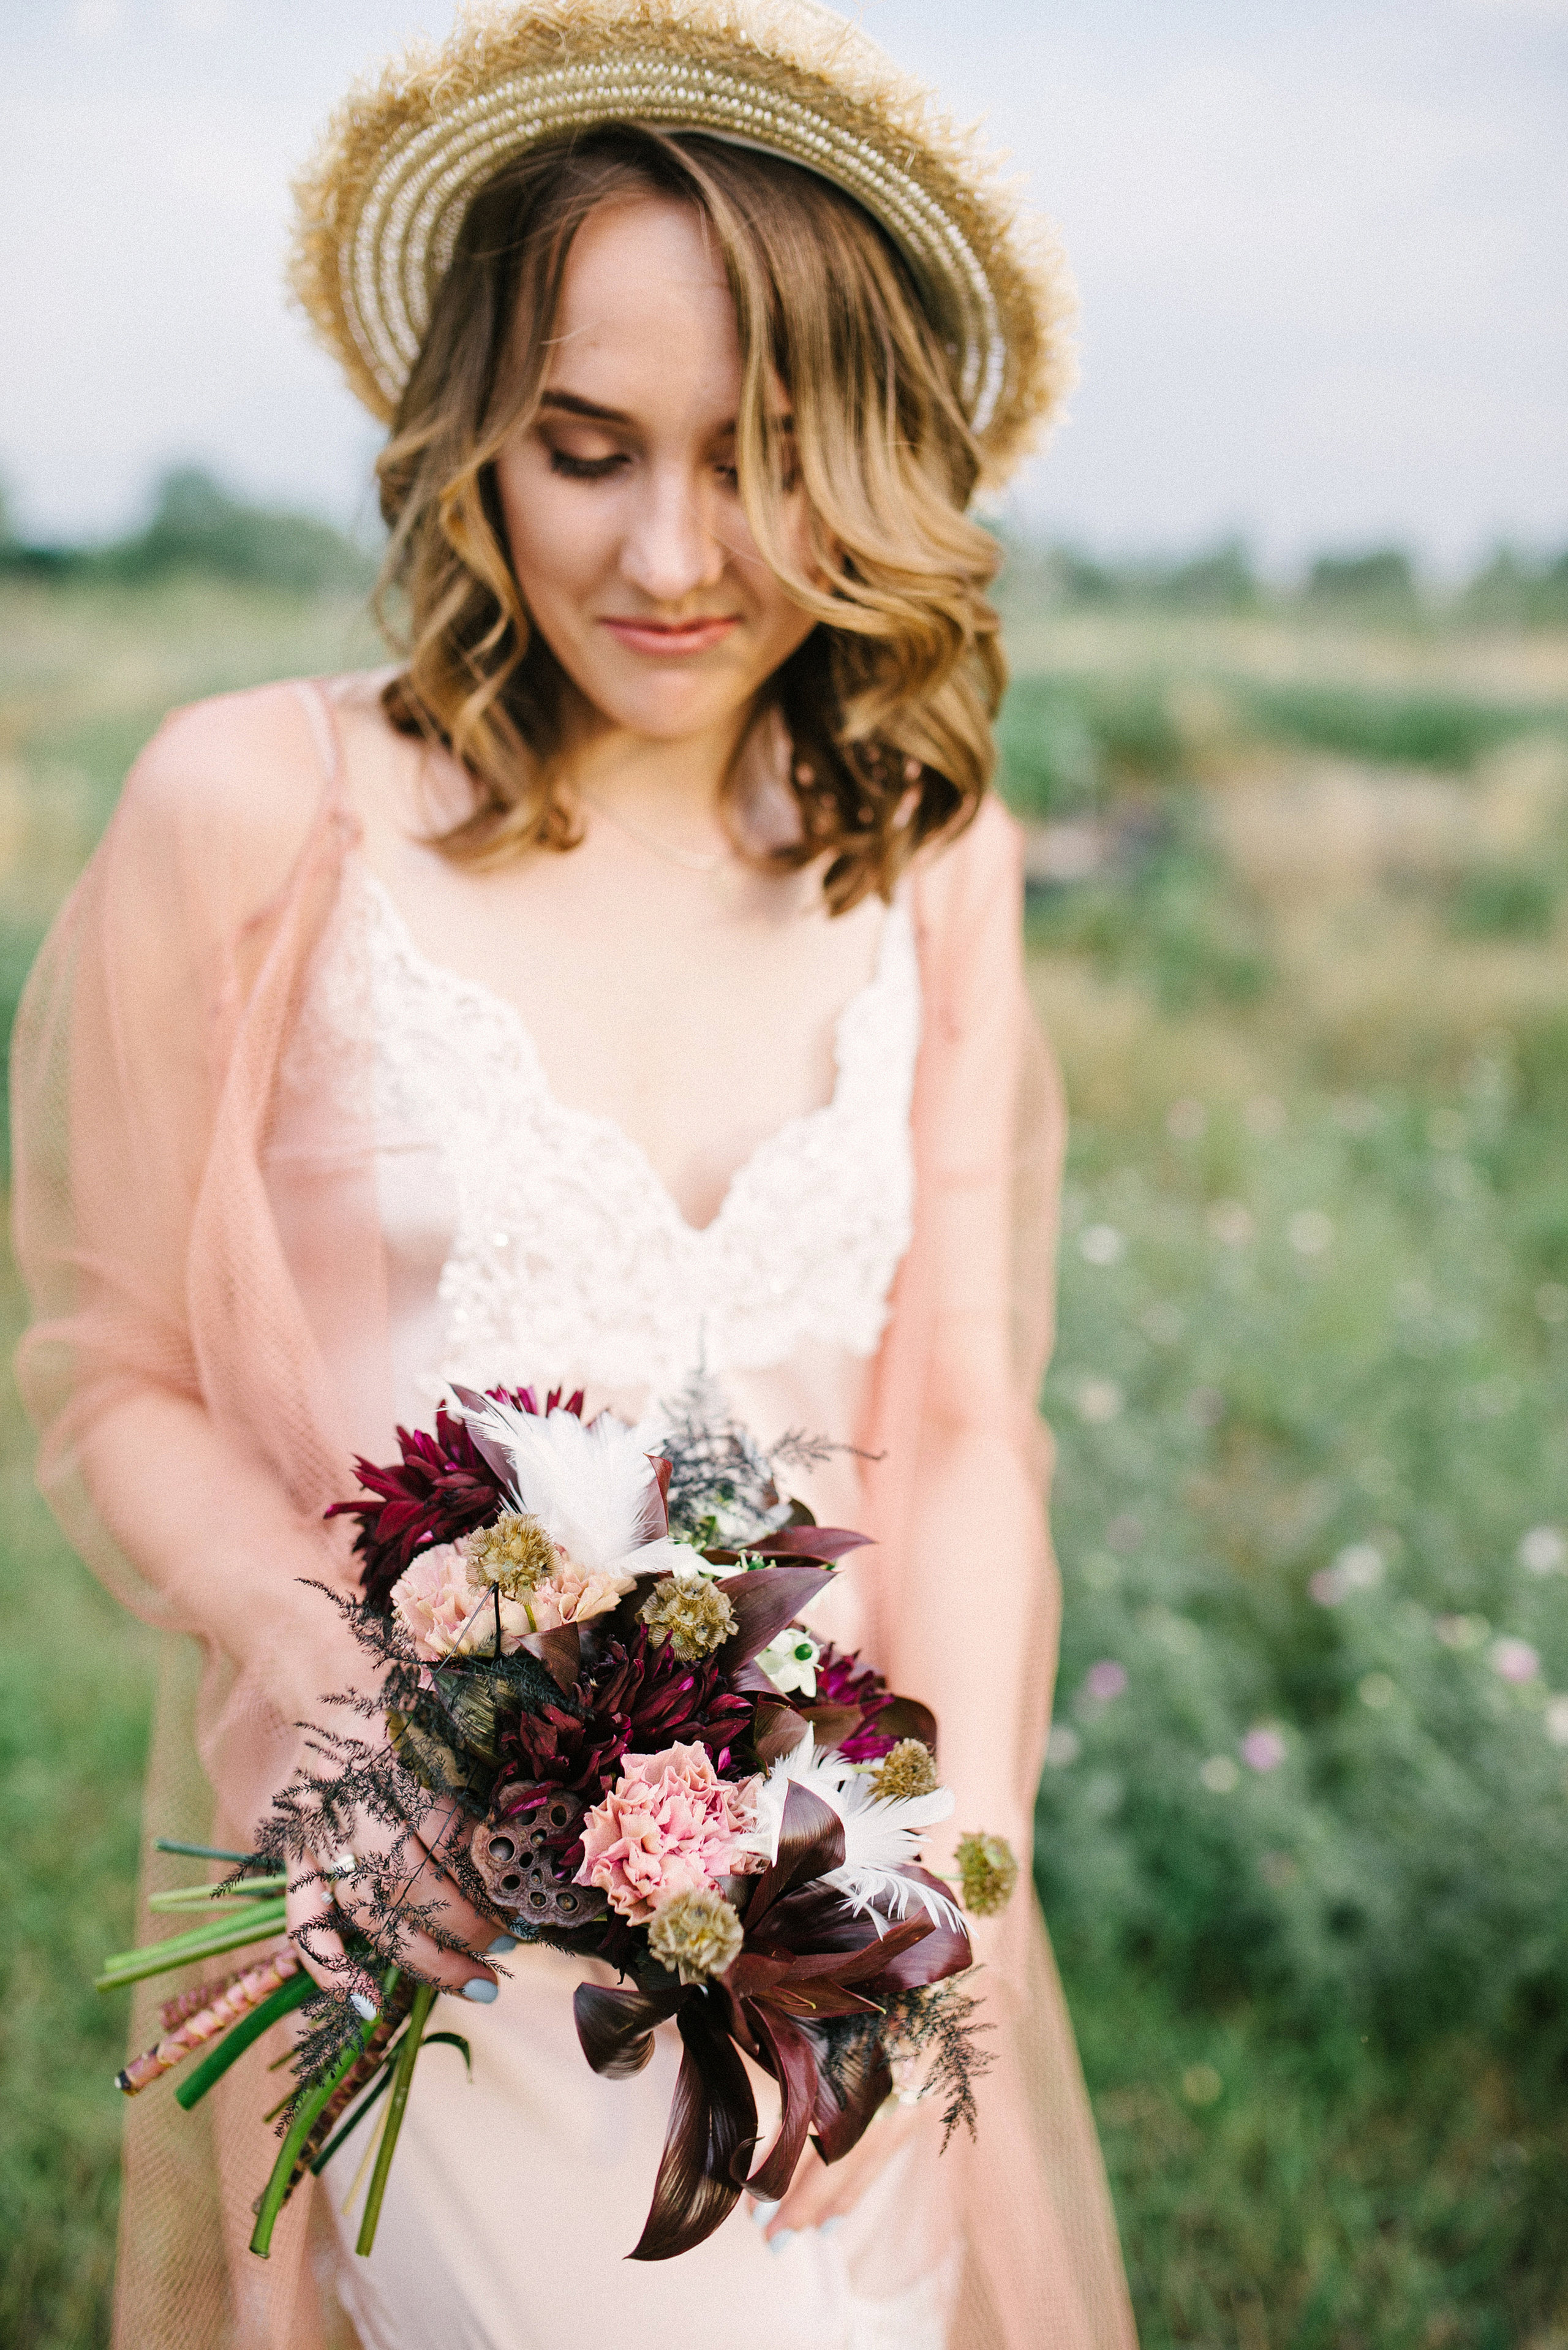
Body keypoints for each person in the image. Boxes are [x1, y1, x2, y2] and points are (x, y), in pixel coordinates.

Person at [11, 6, 1137, 2347]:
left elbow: (977, 1429)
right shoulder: (255, 811)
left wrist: (958, 1907)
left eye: (762, 459)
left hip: (836, 1905)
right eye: (586, 449)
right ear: (469, 444)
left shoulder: (931, 862)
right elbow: (108, 1371)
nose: (669, 554)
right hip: (432, 1906)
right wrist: (364, 1710)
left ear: (890, 460)